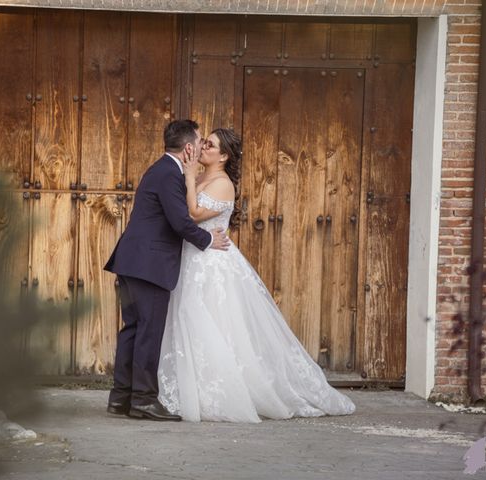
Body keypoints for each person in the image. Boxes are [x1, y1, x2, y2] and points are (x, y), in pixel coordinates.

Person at [157, 128, 356, 422]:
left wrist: (187, 176)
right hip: (192, 259)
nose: (203, 149)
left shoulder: (222, 183)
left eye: (209, 146)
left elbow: (195, 215)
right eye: (204, 144)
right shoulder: (201, 177)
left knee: (214, 323)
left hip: (212, 264)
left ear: (223, 156)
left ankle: (225, 391)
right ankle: (192, 389)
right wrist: (190, 177)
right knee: (189, 321)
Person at [104, 120, 230, 422]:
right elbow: (181, 221)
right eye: (200, 142)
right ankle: (144, 401)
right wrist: (209, 239)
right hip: (149, 265)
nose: (201, 146)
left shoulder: (161, 169)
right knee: (148, 331)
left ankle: (121, 398)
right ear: (188, 148)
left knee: (133, 330)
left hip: (133, 262)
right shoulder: (169, 174)